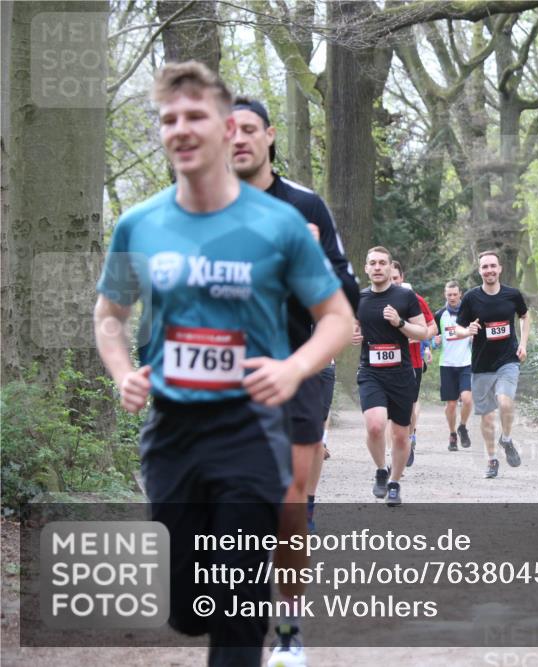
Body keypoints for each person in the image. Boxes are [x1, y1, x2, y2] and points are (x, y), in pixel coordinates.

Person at [92, 62, 352, 667]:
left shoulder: (280, 223)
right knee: (187, 608)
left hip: (252, 430)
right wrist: (122, 372)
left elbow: (338, 318)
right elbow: (109, 314)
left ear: (225, 127)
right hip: (173, 434)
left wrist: (293, 369)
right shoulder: (140, 224)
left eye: (195, 116)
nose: (181, 129)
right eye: (168, 119)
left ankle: (267, 627)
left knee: (236, 609)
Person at [230, 96, 359, 666]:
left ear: (270, 135)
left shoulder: (304, 205)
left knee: (289, 505)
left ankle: (286, 628)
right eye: (228, 130)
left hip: (298, 365)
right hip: (221, 373)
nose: (238, 139)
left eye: (249, 129)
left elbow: (346, 294)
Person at [353, 247, 428, 505]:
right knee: (375, 425)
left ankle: (395, 482)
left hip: (401, 374)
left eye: (382, 263)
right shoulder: (358, 299)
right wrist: (351, 335)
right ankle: (380, 470)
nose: (377, 267)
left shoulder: (405, 296)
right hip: (370, 372)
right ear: (366, 268)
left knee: (399, 434)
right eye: (372, 263)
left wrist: (400, 323)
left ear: (389, 267)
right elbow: (351, 328)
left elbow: (423, 332)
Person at [453, 250, 531, 478]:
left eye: (492, 266)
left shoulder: (512, 295)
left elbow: (525, 316)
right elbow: (457, 328)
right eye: (485, 267)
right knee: (487, 417)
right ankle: (492, 459)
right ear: (480, 271)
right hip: (481, 365)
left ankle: (506, 439)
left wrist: (523, 344)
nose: (489, 270)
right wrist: (467, 331)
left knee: (505, 403)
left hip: (507, 360)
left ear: (500, 269)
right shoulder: (471, 298)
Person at [389, 260, 436, 466]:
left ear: (402, 278)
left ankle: (410, 436)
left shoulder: (414, 299)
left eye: (396, 278)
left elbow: (433, 328)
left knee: (408, 406)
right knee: (388, 410)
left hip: (412, 362)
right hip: (386, 364)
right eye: (389, 278)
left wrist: (418, 336)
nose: (393, 282)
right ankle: (395, 450)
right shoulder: (374, 300)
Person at [434, 281, 473, 451]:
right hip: (447, 364)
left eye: (455, 294)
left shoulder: (468, 313)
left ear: (460, 294)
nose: (452, 297)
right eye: (449, 294)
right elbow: (434, 338)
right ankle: (452, 434)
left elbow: (475, 334)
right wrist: (434, 343)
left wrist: (473, 338)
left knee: (467, 399)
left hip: (466, 363)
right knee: (451, 405)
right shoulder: (439, 315)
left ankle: (462, 427)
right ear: (445, 295)